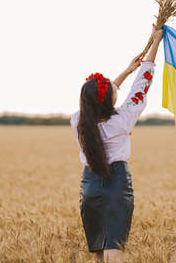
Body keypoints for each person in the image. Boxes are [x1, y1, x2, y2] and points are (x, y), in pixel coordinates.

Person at [69, 24, 164, 263]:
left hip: (89, 186)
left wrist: (126, 71)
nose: (115, 86)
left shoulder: (78, 121)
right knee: (114, 251)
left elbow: (98, 99)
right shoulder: (123, 120)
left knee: (99, 252)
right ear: (109, 99)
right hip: (116, 185)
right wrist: (156, 43)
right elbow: (143, 83)